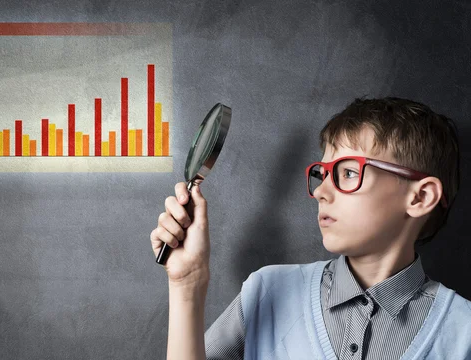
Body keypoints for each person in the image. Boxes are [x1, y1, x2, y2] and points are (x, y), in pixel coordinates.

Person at [150, 97, 471, 360]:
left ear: (420, 197)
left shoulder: (463, 331)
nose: (320, 192)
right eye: (322, 173)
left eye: (347, 173)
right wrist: (187, 286)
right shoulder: (266, 290)